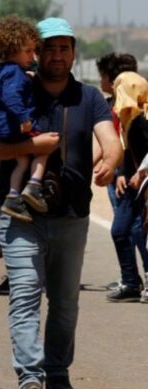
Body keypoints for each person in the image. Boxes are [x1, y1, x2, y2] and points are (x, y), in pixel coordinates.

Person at [0, 17, 122, 389]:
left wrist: (110, 161)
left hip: (71, 214)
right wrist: (34, 145)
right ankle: (31, 376)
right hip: (21, 215)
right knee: (25, 295)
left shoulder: (89, 97)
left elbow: (110, 140)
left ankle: (57, 374)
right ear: (36, 51)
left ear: (73, 52)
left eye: (65, 48)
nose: (58, 55)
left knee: (64, 303)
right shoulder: (18, 86)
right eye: (50, 48)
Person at [0, 15, 46, 223]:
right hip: (12, 127)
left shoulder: (4, 69)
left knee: (22, 161)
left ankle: (12, 196)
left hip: (1, 128)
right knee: (46, 146)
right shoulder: (15, 73)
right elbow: (11, 96)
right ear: (12, 50)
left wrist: (27, 78)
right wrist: (24, 118)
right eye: (28, 51)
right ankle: (34, 185)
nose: (32, 56)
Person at [95, 53, 146, 292]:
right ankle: (131, 279)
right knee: (128, 229)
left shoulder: (138, 117)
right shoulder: (119, 112)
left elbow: (126, 146)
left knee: (133, 229)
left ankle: (134, 280)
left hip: (133, 179)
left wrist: (131, 172)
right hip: (127, 177)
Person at [106, 71, 148, 303]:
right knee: (121, 231)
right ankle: (131, 282)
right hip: (132, 185)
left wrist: (141, 173)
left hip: (143, 184)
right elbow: (126, 149)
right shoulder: (129, 120)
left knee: (141, 232)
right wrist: (122, 173)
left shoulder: (144, 119)